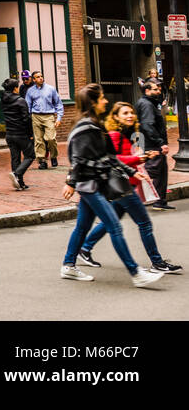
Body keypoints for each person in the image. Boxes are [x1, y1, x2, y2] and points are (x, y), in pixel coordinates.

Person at [61, 84, 164, 287]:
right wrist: (71, 183)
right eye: (102, 98)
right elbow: (77, 159)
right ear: (93, 102)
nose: (106, 101)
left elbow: (109, 156)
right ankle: (136, 274)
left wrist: (132, 172)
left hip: (95, 183)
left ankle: (68, 265)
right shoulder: (85, 127)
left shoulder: (95, 125)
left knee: (82, 226)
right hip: (89, 185)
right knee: (114, 226)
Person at [74, 101, 181, 274]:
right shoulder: (115, 135)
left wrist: (142, 157)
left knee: (112, 220)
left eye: (131, 112)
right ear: (115, 117)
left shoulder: (128, 134)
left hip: (126, 184)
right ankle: (157, 262)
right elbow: (113, 160)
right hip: (122, 186)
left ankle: (85, 249)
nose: (130, 115)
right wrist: (138, 159)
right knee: (144, 223)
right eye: (125, 113)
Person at [134, 81, 173, 210]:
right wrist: (160, 143)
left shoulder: (150, 103)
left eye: (159, 88)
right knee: (151, 172)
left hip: (151, 143)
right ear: (147, 90)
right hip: (152, 144)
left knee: (161, 172)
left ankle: (160, 202)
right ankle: (129, 198)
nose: (159, 91)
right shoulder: (146, 105)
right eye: (156, 89)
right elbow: (147, 125)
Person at [1, 76, 34, 190]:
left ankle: (19, 183)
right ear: (15, 88)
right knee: (30, 155)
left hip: (9, 133)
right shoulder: (20, 101)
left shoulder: (4, 100)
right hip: (21, 133)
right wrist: (30, 134)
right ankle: (17, 174)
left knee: (15, 158)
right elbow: (26, 119)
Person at [26, 70, 63, 169]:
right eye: (38, 77)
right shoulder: (30, 91)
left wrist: (58, 118)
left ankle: (53, 156)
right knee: (38, 140)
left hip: (49, 116)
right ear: (33, 80)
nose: (40, 78)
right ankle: (41, 161)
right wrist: (29, 117)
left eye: (41, 76)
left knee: (51, 138)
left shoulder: (51, 89)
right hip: (36, 116)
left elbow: (58, 104)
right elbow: (27, 105)